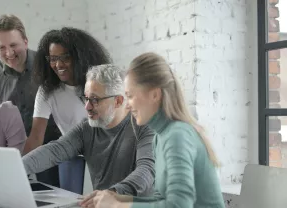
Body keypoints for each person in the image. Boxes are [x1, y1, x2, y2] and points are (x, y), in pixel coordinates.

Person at [91, 52, 225, 208]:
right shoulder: (159, 136)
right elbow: (161, 200)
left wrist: (117, 206)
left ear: (155, 94)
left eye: (130, 96)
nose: (127, 105)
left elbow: (179, 205)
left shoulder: (178, 135)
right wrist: (119, 199)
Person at [23, 64, 155, 199]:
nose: (87, 106)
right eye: (86, 98)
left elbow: (146, 171)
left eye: (95, 100)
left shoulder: (146, 127)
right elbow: (54, 150)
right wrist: (16, 168)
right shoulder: (86, 129)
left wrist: (113, 194)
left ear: (118, 101)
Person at [26, 27, 112, 194]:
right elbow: (36, 136)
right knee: (71, 202)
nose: (58, 64)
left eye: (65, 57)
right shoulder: (47, 91)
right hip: (70, 156)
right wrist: (17, 168)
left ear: (80, 57)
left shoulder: (98, 84)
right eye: (53, 58)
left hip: (103, 154)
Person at [0, 14, 61, 186]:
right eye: (1, 47)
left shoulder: (46, 66)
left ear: (26, 41)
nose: (9, 53)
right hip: (13, 153)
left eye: (13, 45)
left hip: (51, 151)